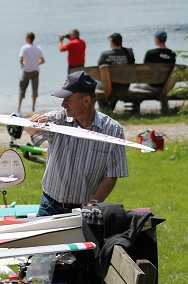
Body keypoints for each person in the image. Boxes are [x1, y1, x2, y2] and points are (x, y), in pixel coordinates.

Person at [24, 71, 129, 216]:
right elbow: (29, 129)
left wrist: (93, 202)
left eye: (67, 98)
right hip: (50, 205)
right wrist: (33, 124)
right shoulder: (57, 120)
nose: (63, 104)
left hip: (84, 209)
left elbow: (111, 175)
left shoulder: (113, 131)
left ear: (86, 101)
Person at [17, 32, 44, 114]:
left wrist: (23, 64)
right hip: (36, 71)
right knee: (35, 90)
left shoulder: (24, 48)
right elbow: (42, 61)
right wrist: (36, 63)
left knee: (22, 89)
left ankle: (19, 108)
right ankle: (33, 107)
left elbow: (21, 60)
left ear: (28, 38)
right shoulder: (38, 48)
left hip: (26, 71)